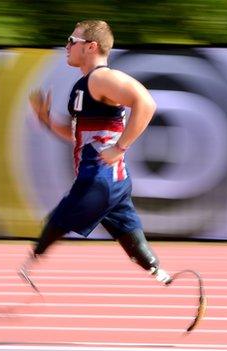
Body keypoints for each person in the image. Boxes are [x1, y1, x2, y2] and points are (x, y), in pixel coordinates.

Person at [22, 20, 172, 287]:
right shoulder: (84, 85)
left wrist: (120, 147)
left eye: (72, 40)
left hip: (99, 177)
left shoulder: (102, 77)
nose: (67, 46)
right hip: (114, 180)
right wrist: (47, 121)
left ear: (91, 47)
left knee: (60, 218)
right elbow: (77, 134)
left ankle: (29, 266)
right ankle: (160, 274)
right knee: (125, 232)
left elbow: (146, 103)